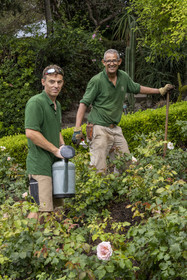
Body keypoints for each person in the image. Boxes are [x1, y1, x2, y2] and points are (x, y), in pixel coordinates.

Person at [72, 49, 174, 173]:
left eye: (114, 60)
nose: (111, 63)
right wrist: (77, 129)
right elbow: (84, 103)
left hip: (115, 129)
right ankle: (101, 191)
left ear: (119, 61)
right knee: (99, 168)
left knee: (126, 164)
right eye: (108, 61)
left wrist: (159, 91)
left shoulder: (123, 77)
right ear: (103, 62)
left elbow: (137, 88)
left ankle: (116, 189)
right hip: (98, 128)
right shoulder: (96, 81)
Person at [25, 65, 65, 219]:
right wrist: (55, 150)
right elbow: (31, 133)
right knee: (41, 210)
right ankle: (28, 241)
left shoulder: (57, 104)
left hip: (55, 165)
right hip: (40, 166)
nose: (56, 85)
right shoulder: (36, 102)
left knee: (56, 209)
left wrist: (62, 146)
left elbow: (56, 129)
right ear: (43, 82)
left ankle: (52, 242)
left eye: (59, 82)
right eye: (52, 81)